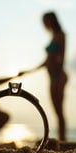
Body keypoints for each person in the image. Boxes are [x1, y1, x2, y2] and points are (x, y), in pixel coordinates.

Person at [19, 11, 68, 141]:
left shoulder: (60, 35)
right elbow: (46, 61)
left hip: (58, 76)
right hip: (52, 76)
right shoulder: (53, 36)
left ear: (52, 20)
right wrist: (29, 71)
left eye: (46, 21)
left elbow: (61, 58)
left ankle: (63, 140)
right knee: (56, 111)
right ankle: (62, 139)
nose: (44, 24)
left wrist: (57, 76)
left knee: (59, 111)